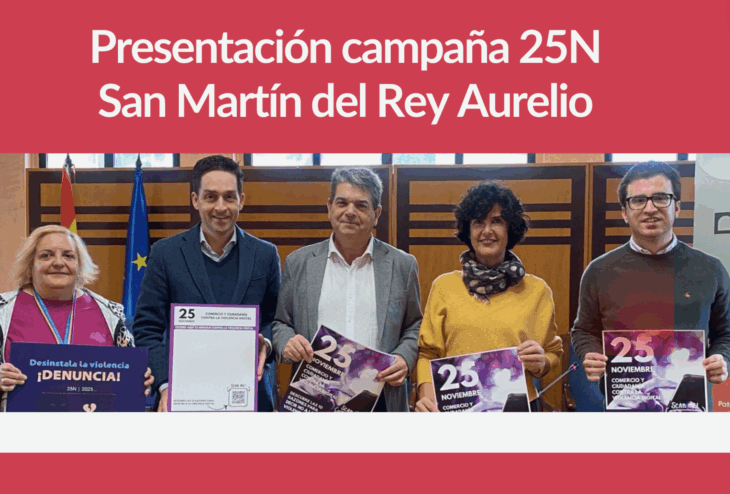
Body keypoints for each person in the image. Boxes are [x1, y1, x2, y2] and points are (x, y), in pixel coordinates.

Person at [571, 161, 730, 402]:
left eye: (660, 198)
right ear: (625, 212)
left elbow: (726, 332)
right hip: (624, 403)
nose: (650, 208)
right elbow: (583, 330)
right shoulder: (599, 271)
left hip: (689, 406)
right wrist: (590, 353)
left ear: (677, 207)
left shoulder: (711, 268)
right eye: (638, 200)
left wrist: (722, 357)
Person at [133, 155, 281, 412]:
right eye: (211, 196)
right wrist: (166, 386)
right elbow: (147, 327)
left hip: (247, 396)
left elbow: (273, 319)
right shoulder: (165, 253)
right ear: (195, 200)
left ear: (241, 201)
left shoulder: (265, 255)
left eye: (229, 197)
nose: (220, 207)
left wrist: (265, 344)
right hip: (182, 397)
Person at [271, 167, 423, 412]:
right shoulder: (299, 262)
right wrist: (287, 342)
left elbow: (415, 325)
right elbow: (280, 322)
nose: (350, 212)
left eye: (361, 205)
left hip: (380, 401)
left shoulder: (402, 265)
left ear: (377, 214)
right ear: (329, 207)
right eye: (342, 202)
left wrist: (405, 357)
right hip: (313, 398)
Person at [0, 225, 153, 412]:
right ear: (30, 264)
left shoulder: (110, 312)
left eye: (68, 256)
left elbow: (129, 370)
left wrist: (139, 379)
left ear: (79, 264)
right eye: (46, 255)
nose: (59, 262)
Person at [415, 181, 563, 412]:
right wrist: (425, 394)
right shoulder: (444, 286)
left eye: (497, 221)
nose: (487, 231)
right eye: (478, 222)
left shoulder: (537, 290)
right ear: (468, 230)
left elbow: (553, 353)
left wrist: (542, 362)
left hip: (517, 409)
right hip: (456, 407)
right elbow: (427, 353)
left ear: (510, 228)